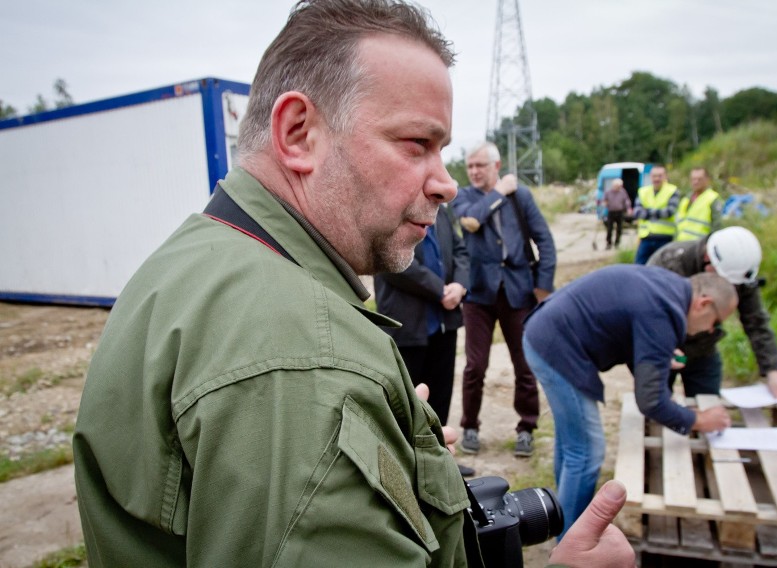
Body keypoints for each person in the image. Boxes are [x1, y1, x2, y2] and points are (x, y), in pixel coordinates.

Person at [72, 1, 634, 566]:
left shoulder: (196, 258)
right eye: (417, 143)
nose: (446, 184)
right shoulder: (301, 355)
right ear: (299, 134)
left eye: (445, 152)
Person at [523, 265, 736, 534]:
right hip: (555, 347)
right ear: (704, 304)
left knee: (573, 443)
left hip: (545, 332)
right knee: (588, 452)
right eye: (716, 322)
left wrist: (653, 357)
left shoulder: (670, 289)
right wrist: (698, 420)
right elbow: (650, 401)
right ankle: (571, 547)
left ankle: (560, 518)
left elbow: (630, 326)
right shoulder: (664, 312)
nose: (710, 331)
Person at [453, 141, 557, 458]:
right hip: (479, 294)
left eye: (479, 166)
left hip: (518, 291)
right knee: (475, 366)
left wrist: (543, 288)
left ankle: (526, 428)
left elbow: (545, 241)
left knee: (525, 365)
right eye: (470, 166)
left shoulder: (521, 196)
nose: (473, 172)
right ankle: (469, 425)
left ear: (496, 167)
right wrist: (499, 193)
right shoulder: (464, 197)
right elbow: (471, 221)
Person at [374, 204, 475, 476]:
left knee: (440, 399)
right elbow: (392, 264)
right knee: (407, 405)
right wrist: (438, 289)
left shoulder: (441, 211)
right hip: (408, 327)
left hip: (444, 324)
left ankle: (441, 465)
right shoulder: (390, 209)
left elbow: (461, 250)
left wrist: (460, 285)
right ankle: (406, 472)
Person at [648, 226, 777, 398]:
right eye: (724, 281)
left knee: (709, 407)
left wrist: (772, 371)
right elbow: (646, 316)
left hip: (702, 351)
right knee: (656, 407)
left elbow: (756, 322)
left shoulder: (739, 273)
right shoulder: (668, 263)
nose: (728, 287)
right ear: (708, 258)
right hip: (663, 349)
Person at [632, 165, 681, 264]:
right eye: (654, 176)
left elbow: (669, 212)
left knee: (662, 267)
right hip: (646, 237)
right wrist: (658, 211)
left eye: (660, 176)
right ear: (650, 177)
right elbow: (637, 212)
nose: (657, 179)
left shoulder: (672, 191)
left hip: (664, 238)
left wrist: (647, 211)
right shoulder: (643, 191)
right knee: (639, 266)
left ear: (665, 176)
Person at [674, 167, 722, 241]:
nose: (696, 182)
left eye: (699, 179)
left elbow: (717, 226)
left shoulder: (712, 198)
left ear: (707, 180)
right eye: (693, 179)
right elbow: (679, 223)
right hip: (682, 243)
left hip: (700, 246)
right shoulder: (686, 199)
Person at [601, 178, 632, 249]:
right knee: (609, 229)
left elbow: (627, 200)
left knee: (619, 229)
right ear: (613, 185)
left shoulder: (623, 192)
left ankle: (617, 244)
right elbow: (604, 200)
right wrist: (604, 203)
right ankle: (608, 243)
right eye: (617, 186)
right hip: (611, 212)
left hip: (620, 212)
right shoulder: (608, 192)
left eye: (620, 186)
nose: (618, 188)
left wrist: (629, 208)